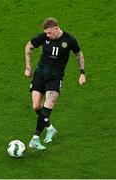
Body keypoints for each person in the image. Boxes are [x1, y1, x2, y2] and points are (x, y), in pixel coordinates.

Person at [25, 17, 86, 150]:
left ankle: (35, 138)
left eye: (49, 33)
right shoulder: (44, 37)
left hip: (55, 77)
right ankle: (50, 128)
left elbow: (79, 55)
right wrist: (28, 67)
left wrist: (82, 73)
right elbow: (28, 46)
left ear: (56, 29)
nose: (47, 35)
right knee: (36, 106)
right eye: (46, 33)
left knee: (49, 103)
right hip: (40, 74)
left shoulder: (70, 40)